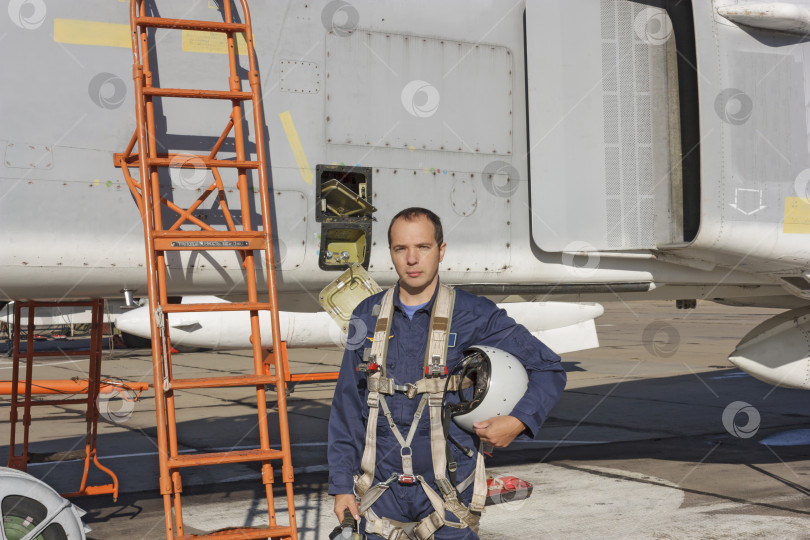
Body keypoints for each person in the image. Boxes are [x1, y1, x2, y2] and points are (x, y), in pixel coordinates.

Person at [328, 207, 566, 539]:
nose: (412, 259)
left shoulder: (474, 314)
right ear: (392, 254)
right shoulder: (366, 317)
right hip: (380, 498)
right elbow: (348, 406)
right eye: (401, 249)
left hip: (449, 496)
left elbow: (548, 368)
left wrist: (518, 421)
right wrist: (341, 486)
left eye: (423, 247)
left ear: (441, 251)